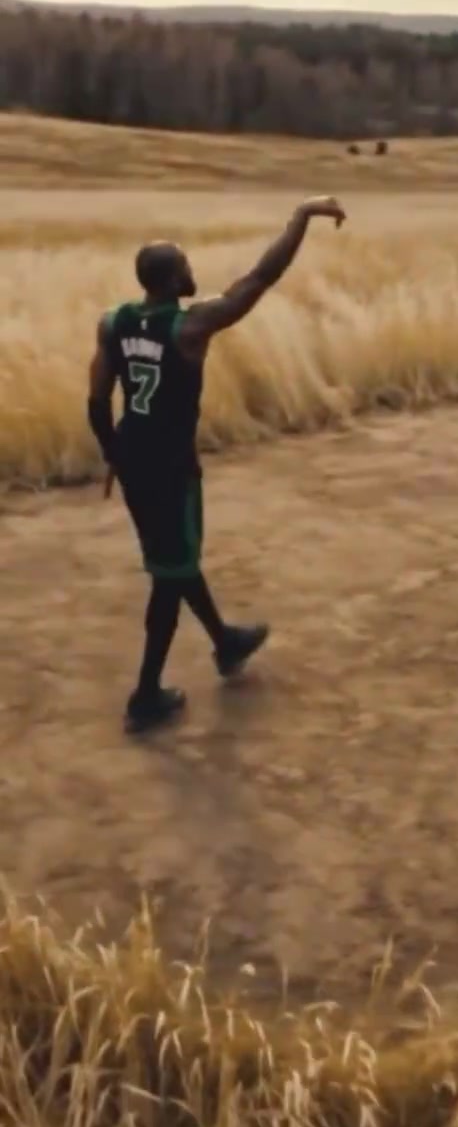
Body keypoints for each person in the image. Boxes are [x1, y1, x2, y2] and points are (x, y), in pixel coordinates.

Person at [87, 194, 346, 735]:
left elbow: (96, 400)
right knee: (169, 576)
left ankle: (225, 641)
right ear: (171, 279)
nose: (192, 271)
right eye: (184, 265)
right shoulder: (190, 328)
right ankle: (146, 695)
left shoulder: (113, 324)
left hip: (135, 465)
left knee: (173, 559)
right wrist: (302, 216)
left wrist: (114, 454)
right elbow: (260, 278)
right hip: (171, 470)